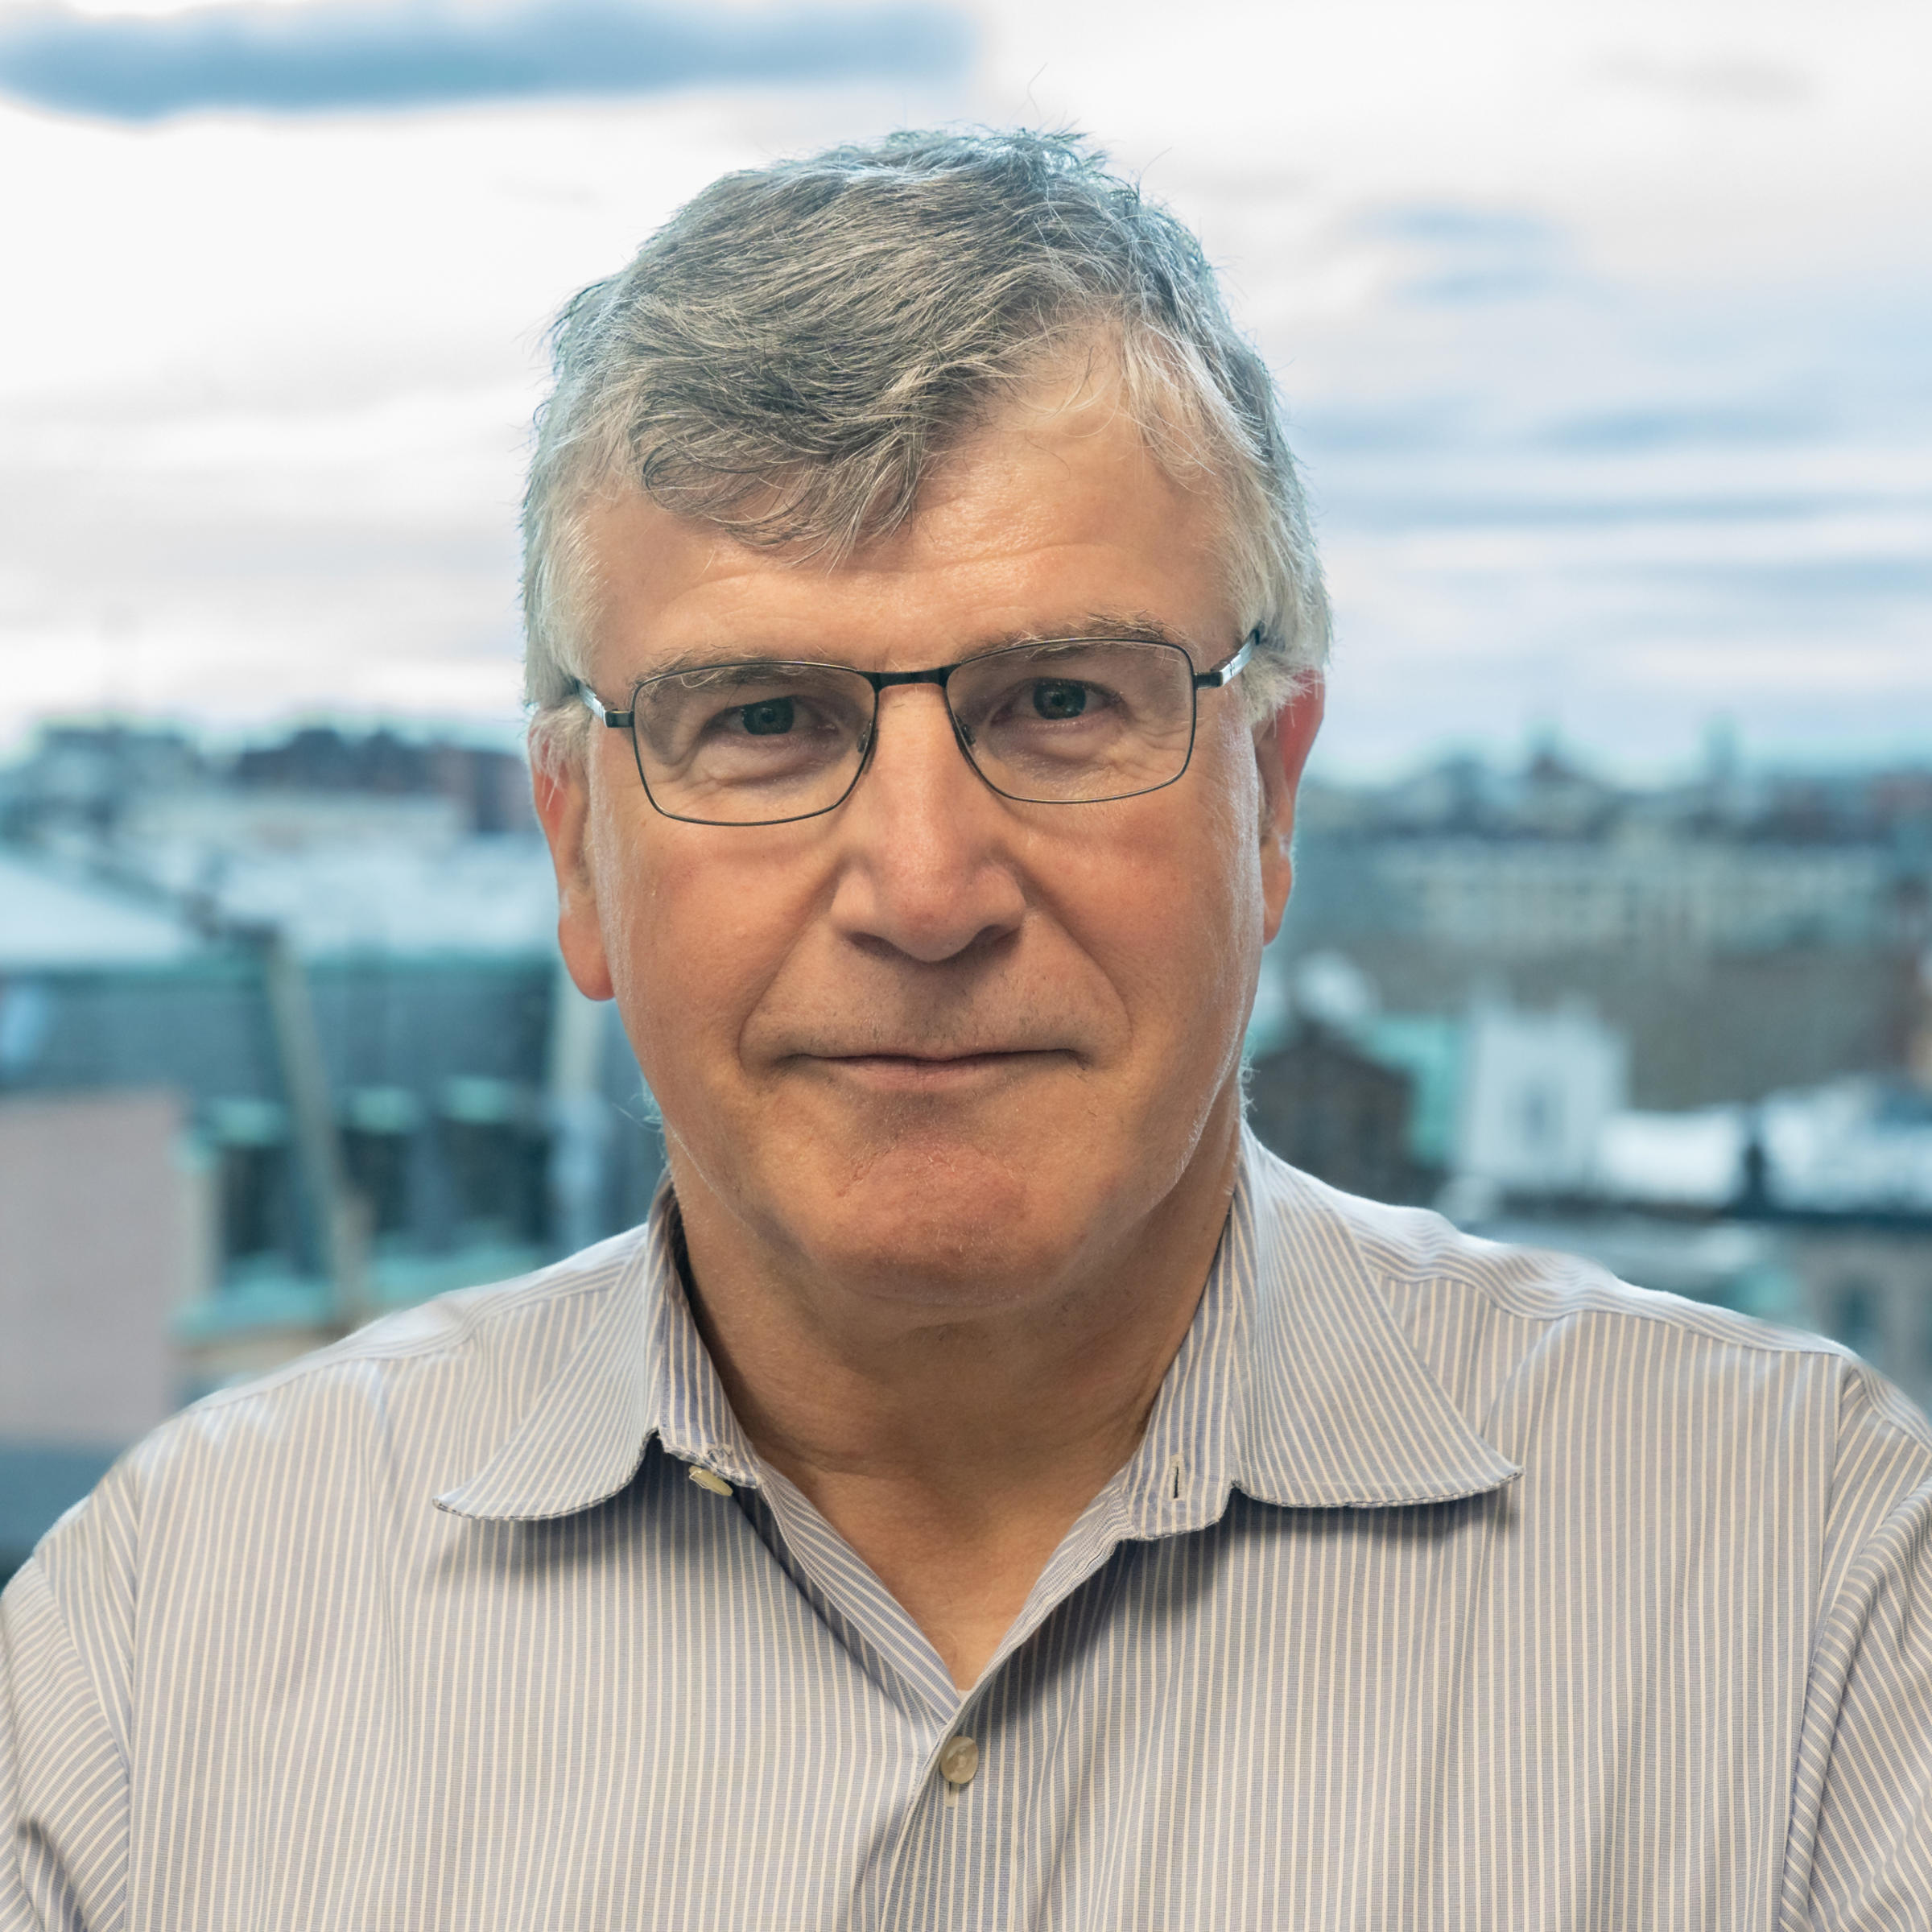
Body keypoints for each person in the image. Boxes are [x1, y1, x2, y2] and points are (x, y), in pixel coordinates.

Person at [3, 128, 1930, 1930]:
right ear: (577, 854)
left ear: (1273, 794)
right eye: (760, 719)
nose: (923, 890)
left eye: (1061, 703)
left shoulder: (1802, 1597)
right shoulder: (170, 1643)